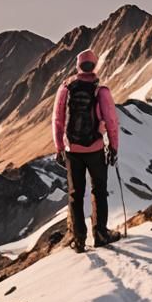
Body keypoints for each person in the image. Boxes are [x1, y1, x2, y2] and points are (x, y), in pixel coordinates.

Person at [52, 49, 121, 252]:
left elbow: (57, 119)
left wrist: (59, 147)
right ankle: (100, 233)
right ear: (94, 65)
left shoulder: (66, 88)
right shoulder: (101, 91)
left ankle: (79, 239)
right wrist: (114, 147)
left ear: (78, 65)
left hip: (72, 149)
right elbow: (111, 121)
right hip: (96, 148)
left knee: (75, 194)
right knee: (99, 191)